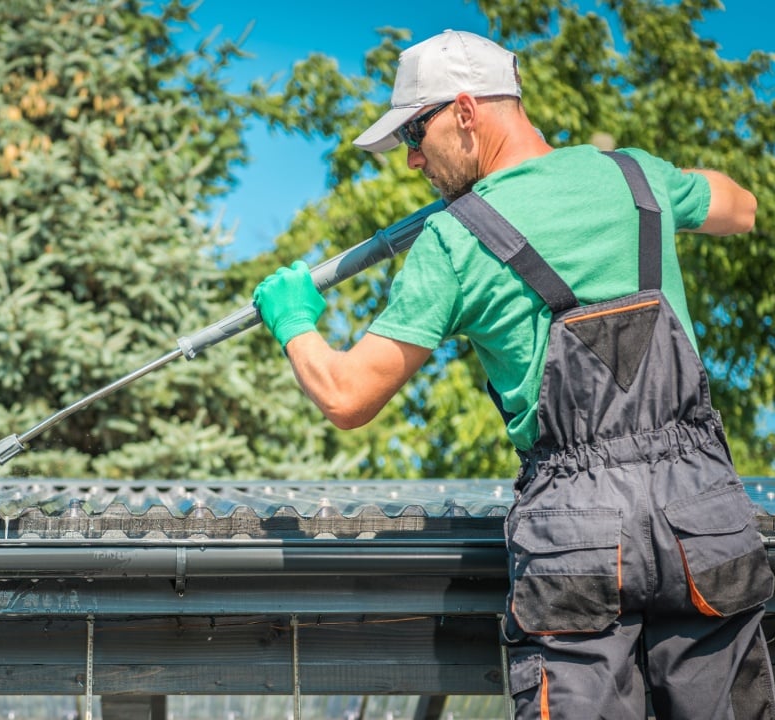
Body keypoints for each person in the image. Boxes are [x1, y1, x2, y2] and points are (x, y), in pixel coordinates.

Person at [252, 29, 773, 719]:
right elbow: (743, 207)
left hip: (580, 535)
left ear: (466, 111)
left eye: (415, 130)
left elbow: (347, 395)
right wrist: (634, 177)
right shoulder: (636, 178)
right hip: (702, 512)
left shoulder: (454, 239)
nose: (411, 159)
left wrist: (293, 322)